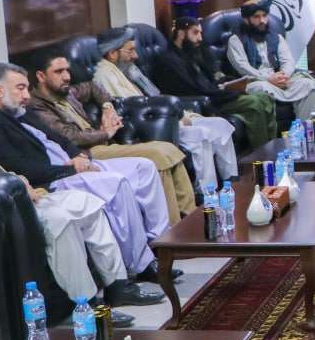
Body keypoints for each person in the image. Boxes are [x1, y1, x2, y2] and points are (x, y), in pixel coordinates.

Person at [0, 83, 155, 315]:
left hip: (22, 191)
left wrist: (18, 180)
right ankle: (85, 306)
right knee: (61, 220)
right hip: (2, 209)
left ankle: (118, 286)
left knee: (89, 204)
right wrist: (16, 185)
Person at [0, 63, 176, 284]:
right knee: (117, 183)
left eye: (27, 88)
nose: (27, 95)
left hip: (74, 166)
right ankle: (141, 265)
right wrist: (71, 168)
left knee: (144, 167)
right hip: (55, 179)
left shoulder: (20, 110)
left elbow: (59, 138)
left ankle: (160, 246)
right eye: (20, 88)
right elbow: (22, 168)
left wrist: (78, 156)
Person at [27, 50, 195, 223]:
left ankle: (190, 216)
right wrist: (105, 133)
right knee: (158, 154)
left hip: (104, 146)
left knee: (168, 148)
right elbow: (70, 137)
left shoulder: (66, 92)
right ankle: (173, 227)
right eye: (58, 71)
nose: (67, 76)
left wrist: (108, 107)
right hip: (86, 153)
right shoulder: (36, 106)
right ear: (41, 76)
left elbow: (93, 86)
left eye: (67, 70)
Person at [93, 26, 238, 189]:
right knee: (202, 134)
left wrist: (183, 115)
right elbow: (132, 108)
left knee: (220, 124)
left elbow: (154, 96)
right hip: (153, 126)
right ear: (113, 53)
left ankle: (231, 181)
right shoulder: (105, 75)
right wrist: (175, 117)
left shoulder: (127, 70)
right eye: (131, 50)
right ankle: (207, 192)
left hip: (163, 116)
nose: (136, 56)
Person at [152, 16, 277, 151]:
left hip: (215, 94)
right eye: (195, 33)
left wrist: (229, 84)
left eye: (200, 33)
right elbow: (195, 89)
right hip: (206, 102)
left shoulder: (193, 52)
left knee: (265, 97)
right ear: (181, 34)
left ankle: (272, 147)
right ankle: (261, 152)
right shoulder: (170, 60)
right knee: (254, 103)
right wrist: (228, 92)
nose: (200, 38)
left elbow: (212, 78)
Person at [226, 0, 315, 121]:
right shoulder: (236, 40)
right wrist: (268, 79)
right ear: (246, 19)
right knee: (260, 89)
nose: (262, 21)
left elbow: (287, 61)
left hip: (280, 80)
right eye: (256, 17)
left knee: (309, 84)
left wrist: (283, 76)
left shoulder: (276, 37)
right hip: (257, 81)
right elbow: (243, 67)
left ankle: (303, 127)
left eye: (264, 16)